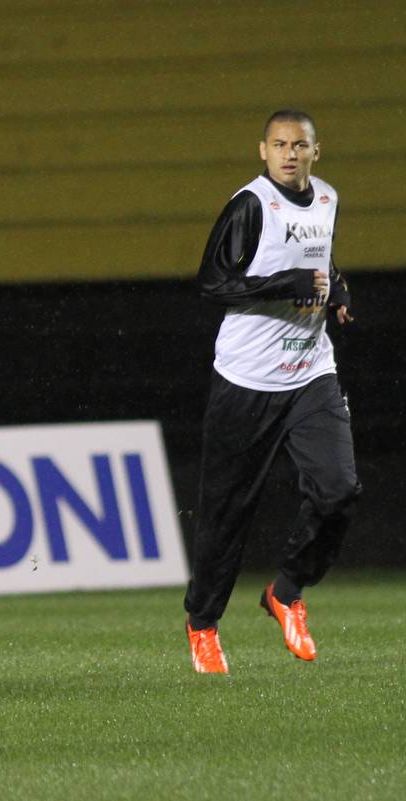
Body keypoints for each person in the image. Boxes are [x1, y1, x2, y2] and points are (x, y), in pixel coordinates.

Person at [183, 110, 360, 674]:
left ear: (315, 151)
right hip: (247, 378)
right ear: (263, 150)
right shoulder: (252, 204)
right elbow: (212, 282)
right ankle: (203, 625)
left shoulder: (326, 199)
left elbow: (317, 259)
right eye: (279, 144)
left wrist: (336, 289)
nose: (289, 153)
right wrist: (286, 285)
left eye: (299, 145)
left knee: (338, 490)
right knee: (225, 513)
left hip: (310, 371)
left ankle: (286, 592)